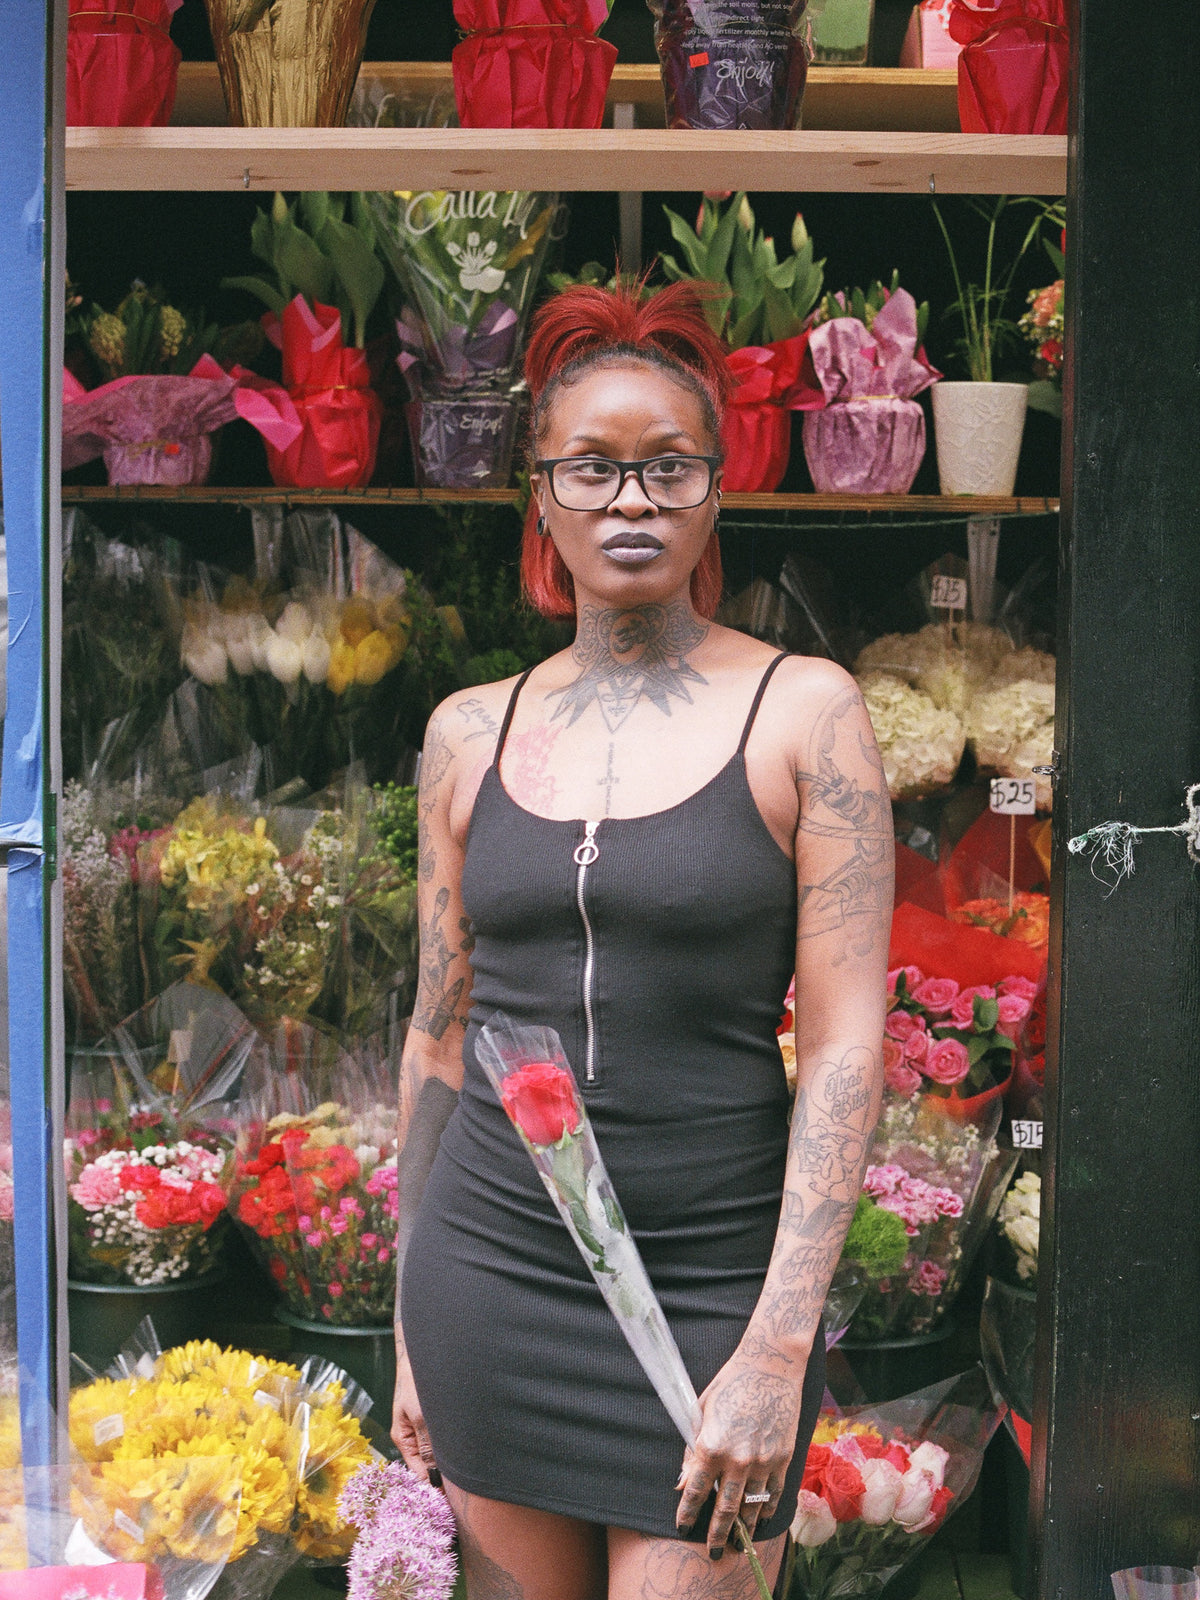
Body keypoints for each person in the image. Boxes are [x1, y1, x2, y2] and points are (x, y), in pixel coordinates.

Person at [391, 280, 893, 1600]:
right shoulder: (465, 735)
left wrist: (781, 1348)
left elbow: (846, 1047)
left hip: (719, 1272)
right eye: (593, 470)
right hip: (491, 1274)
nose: (632, 500)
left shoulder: (806, 716)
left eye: (669, 466)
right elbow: (441, 1039)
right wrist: (405, 1320)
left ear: (716, 489)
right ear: (540, 497)